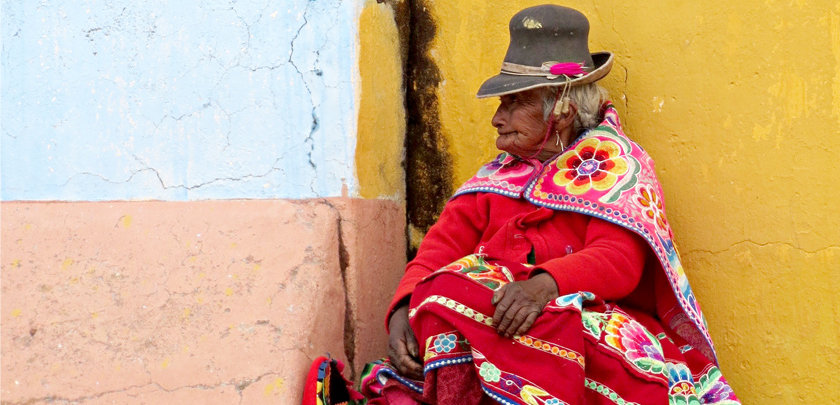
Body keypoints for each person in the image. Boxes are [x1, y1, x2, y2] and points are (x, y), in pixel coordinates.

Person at [361, 5, 740, 405]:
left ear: (562, 110)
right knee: (446, 292)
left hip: (582, 326)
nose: (497, 119)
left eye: (514, 103)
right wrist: (402, 308)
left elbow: (619, 261)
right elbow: (439, 251)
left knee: (469, 291)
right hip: (501, 327)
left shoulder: (616, 166)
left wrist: (543, 287)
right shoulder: (494, 180)